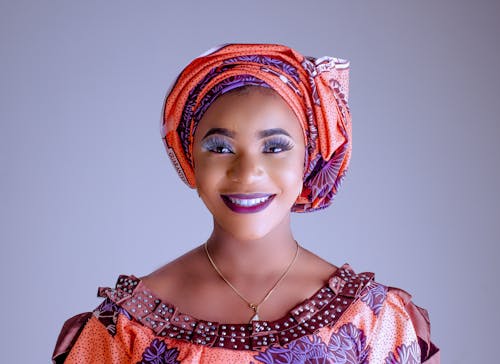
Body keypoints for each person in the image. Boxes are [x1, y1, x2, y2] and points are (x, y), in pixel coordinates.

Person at [53, 43, 439, 363]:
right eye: (220, 148)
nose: (247, 172)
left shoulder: (376, 321)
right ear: (190, 160)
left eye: (274, 147)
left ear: (310, 158)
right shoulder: (122, 330)